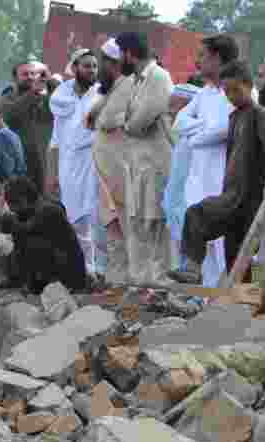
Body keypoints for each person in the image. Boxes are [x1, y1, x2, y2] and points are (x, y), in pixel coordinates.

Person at [175, 61, 265, 283]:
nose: (231, 95)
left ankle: (193, 268)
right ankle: (236, 301)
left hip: (246, 197)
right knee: (234, 254)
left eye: (236, 90)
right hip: (231, 192)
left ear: (249, 85)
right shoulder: (234, 117)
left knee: (198, 214)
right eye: (227, 91)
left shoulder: (258, 114)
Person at [177, 34, 241, 287]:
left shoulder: (236, 89)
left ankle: (221, 304)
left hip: (223, 177)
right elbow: (179, 123)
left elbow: (225, 129)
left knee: (223, 245)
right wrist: (202, 129)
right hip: (199, 176)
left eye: (202, 56)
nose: (198, 61)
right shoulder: (204, 93)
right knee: (198, 236)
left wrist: (195, 135)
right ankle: (201, 299)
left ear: (216, 58)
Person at [117, 31, 174, 285]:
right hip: (138, 163)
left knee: (157, 223)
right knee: (141, 222)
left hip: (156, 162)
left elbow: (139, 121)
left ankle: (162, 281)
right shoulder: (137, 80)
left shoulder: (158, 76)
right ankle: (146, 280)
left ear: (129, 53)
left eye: (120, 55)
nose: (119, 61)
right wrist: (127, 120)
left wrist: (127, 122)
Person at [49, 48, 103, 274]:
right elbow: (55, 140)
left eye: (94, 66)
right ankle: (82, 270)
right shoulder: (61, 99)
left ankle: (101, 270)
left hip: (95, 160)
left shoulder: (102, 94)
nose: (91, 70)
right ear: (75, 69)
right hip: (69, 164)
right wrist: (52, 174)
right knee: (74, 218)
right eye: (86, 65)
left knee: (97, 216)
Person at [88, 37, 136, 285]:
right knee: (113, 230)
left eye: (103, 62)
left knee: (130, 230)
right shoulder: (111, 90)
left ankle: (138, 283)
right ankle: (117, 282)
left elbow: (108, 121)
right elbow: (90, 119)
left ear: (113, 63)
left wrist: (98, 114)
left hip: (124, 172)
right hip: (107, 174)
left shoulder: (128, 86)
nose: (99, 68)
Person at [1, 176, 88, 293]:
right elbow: (13, 235)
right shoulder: (25, 212)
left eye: (12, 204)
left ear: (23, 199)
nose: (11, 209)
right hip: (48, 272)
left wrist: (8, 218)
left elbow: (29, 228)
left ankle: (57, 286)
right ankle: (31, 284)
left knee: (31, 243)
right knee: (18, 243)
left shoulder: (49, 208)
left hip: (68, 273)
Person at [0, 60, 54, 196]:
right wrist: (32, 93)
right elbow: (10, 116)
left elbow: (59, 107)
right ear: (15, 78)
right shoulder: (7, 98)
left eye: (33, 74)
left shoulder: (43, 98)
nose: (30, 77)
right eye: (25, 74)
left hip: (44, 161)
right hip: (20, 163)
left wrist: (51, 81)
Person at [162, 83, 201, 271]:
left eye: (174, 108)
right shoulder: (181, 135)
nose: (170, 113)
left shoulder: (196, 135)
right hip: (178, 202)